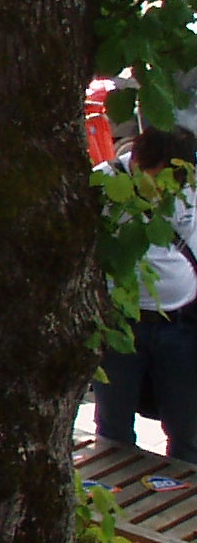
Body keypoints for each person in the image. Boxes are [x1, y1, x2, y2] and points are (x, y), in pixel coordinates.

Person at [96, 130, 197, 461]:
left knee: (187, 425)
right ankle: (116, 480)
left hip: (180, 323)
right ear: (138, 164)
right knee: (113, 421)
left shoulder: (189, 184)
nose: (166, 189)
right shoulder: (104, 183)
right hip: (121, 322)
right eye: (158, 178)